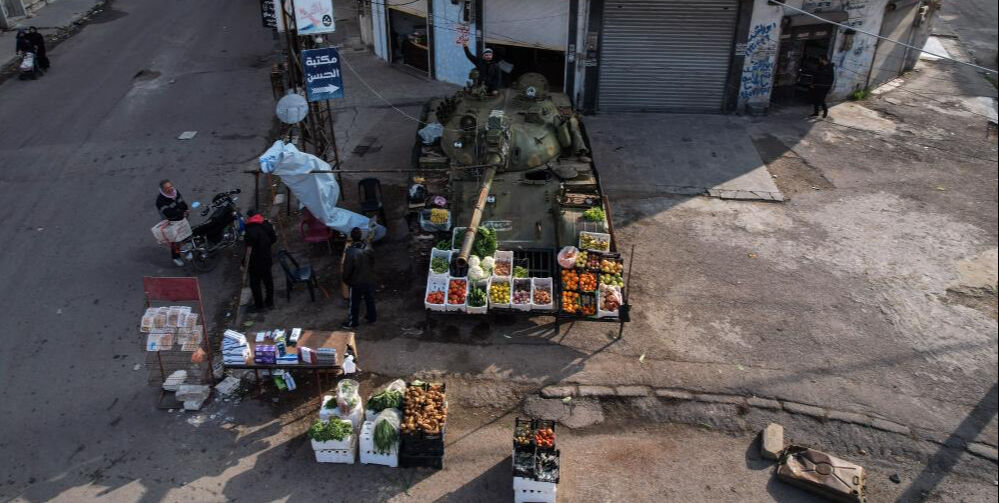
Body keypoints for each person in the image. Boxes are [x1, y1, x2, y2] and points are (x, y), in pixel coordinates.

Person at [341, 226, 377, 329]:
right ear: (361, 236)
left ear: (351, 238)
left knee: (354, 303)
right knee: (370, 299)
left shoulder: (351, 252)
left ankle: (353, 323)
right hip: (369, 279)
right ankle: (372, 317)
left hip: (356, 282)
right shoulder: (368, 247)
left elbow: (347, 269)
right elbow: (372, 262)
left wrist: (346, 279)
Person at [242, 210, 277, 313]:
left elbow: (248, 250)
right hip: (266, 258)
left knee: (255, 284)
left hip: (255, 262)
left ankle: (259, 305)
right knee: (268, 281)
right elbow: (273, 239)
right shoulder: (266, 224)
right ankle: (270, 302)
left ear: (249, 218)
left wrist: (243, 263)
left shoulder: (250, 231)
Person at [155, 179, 189, 266]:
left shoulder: (175, 192)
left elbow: (182, 201)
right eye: (167, 188)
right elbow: (168, 213)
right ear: (163, 190)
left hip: (182, 218)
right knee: (175, 242)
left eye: (170, 186)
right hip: (171, 222)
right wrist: (181, 212)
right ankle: (176, 257)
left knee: (186, 236)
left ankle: (187, 251)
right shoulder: (160, 201)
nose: (170, 189)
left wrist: (186, 209)